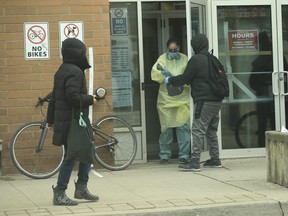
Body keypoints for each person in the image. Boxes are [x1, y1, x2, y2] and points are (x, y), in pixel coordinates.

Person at [47, 38, 99, 205]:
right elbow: (72, 97)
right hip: (74, 121)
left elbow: (54, 97)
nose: (84, 56)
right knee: (71, 156)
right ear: (77, 54)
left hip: (69, 120)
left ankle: (81, 188)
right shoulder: (75, 71)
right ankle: (60, 192)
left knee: (88, 150)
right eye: (82, 53)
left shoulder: (62, 69)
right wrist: (91, 99)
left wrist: (50, 119)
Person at [166, 34, 223, 172]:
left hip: (204, 101)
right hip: (217, 101)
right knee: (211, 130)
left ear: (196, 45)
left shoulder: (196, 60)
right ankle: (215, 159)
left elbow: (185, 78)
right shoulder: (213, 59)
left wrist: (171, 80)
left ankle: (195, 162)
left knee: (197, 130)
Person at [151, 38, 191, 164]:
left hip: (182, 99)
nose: (173, 52)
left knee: (183, 127)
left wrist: (181, 82)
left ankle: (184, 155)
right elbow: (154, 73)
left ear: (179, 48)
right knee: (166, 129)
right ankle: (164, 155)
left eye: (175, 50)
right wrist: (163, 74)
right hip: (166, 100)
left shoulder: (185, 59)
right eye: (170, 50)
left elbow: (189, 76)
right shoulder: (162, 59)